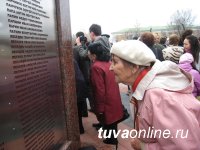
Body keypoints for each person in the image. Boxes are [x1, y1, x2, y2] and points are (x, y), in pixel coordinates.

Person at [109, 40, 200, 150]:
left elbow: (186, 146)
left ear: (134, 67)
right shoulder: (144, 86)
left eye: (115, 62)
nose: (110, 67)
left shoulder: (160, 97)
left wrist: (144, 146)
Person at [88, 42, 123, 148]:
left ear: (94, 55)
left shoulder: (96, 67)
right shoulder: (108, 63)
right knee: (113, 119)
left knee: (108, 119)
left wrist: (99, 107)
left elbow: (99, 89)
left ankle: (111, 140)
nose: (87, 54)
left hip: (106, 99)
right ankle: (112, 138)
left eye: (89, 52)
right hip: (114, 96)